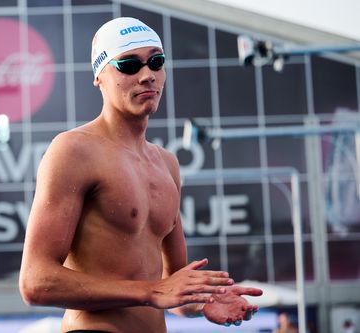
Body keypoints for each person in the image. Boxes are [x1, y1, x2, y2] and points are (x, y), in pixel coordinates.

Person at [19, 16, 263, 333]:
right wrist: (151, 291)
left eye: (156, 62)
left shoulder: (167, 164)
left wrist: (203, 300)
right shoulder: (74, 151)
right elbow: (35, 282)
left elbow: (171, 287)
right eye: (129, 65)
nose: (147, 75)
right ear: (99, 76)